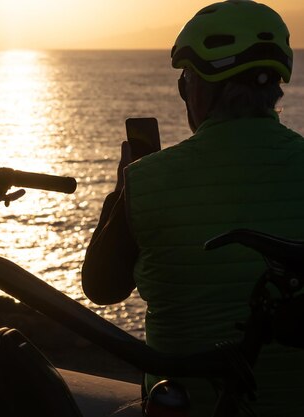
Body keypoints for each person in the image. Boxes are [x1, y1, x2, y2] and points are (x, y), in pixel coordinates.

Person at [81, 1, 304, 416]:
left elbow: (101, 288)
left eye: (185, 80)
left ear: (202, 87)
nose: (184, 93)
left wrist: (121, 190)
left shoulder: (146, 180)